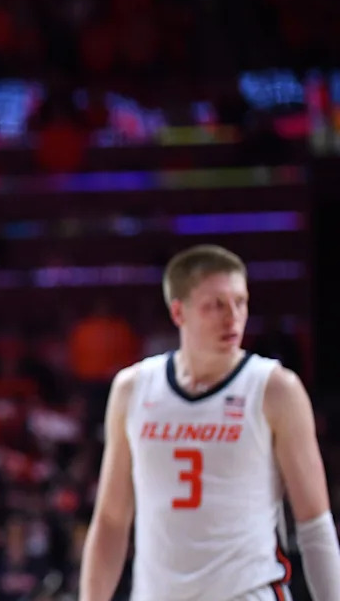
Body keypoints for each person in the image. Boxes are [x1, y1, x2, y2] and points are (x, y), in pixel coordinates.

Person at [80, 244, 340, 601]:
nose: (232, 316)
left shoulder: (275, 389)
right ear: (178, 312)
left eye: (240, 302)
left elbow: (314, 524)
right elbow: (111, 520)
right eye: (215, 305)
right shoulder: (133, 389)